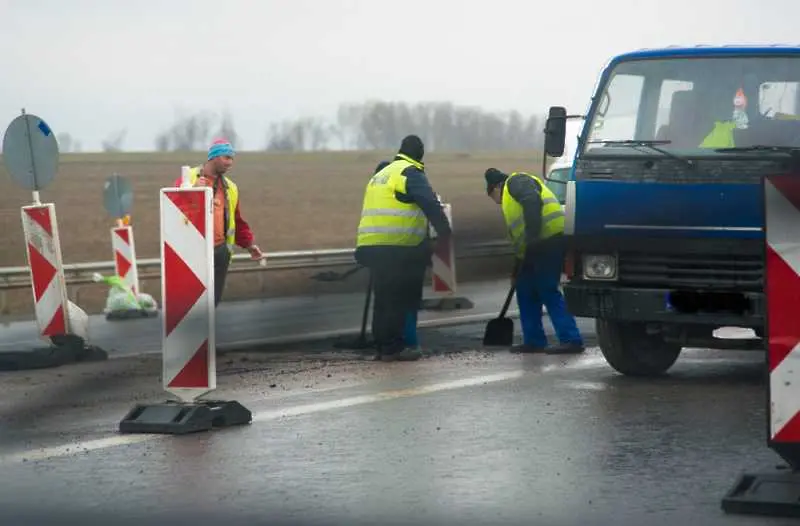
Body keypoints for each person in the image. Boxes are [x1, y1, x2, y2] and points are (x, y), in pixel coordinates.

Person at [355, 135, 452, 361]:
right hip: (396, 247)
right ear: (420, 155)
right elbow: (429, 203)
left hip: (370, 245)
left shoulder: (380, 175)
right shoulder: (409, 172)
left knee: (382, 299)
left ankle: (382, 347)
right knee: (398, 299)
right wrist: (445, 234)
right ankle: (395, 347)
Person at [484, 168, 584, 354]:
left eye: (492, 196)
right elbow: (520, 242)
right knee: (525, 288)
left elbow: (532, 200)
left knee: (546, 287)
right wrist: (516, 271)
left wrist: (533, 234)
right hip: (534, 247)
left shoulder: (516, 181)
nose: (495, 201)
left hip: (549, 239)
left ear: (496, 186)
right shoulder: (509, 201)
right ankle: (534, 340)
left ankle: (571, 338)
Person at [173, 138, 264, 306]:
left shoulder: (231, 187)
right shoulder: (189, 177)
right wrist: (192, 191)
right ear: (213, 157)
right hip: (194, 251)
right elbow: (172, 207)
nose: (230, 163)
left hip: (220, 253)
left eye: (232, 159)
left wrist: (249, 244)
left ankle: (208, 332)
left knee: (212, 304)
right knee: (192, 305)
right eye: (226, 158)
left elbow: (236, 221)